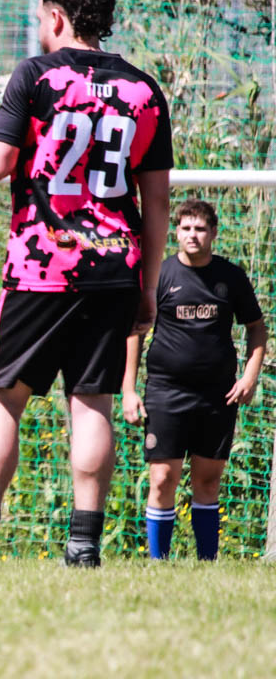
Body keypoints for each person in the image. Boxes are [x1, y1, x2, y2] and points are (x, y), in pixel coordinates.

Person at [0, 0, 173, 568]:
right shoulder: (144, 89)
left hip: (41, 266)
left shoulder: (36, 76)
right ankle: (84, 548)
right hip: (115, 268)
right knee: (92, 403)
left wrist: (1, 120)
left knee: (2, 401)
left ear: (57, 16)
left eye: (41, 16)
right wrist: (148, 286)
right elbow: (157, 203)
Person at [122, 199, 266, 560]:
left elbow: (257, 328)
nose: (192, 235)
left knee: (208, 481)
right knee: (162, 479)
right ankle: (158, 563)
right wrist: (128, 389)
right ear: (176, 232)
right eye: (186, 228)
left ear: (213, 233)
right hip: (165, 392)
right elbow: (135, 332)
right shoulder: (159, 275)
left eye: (200, 229)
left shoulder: (231, 277)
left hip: (217, 394)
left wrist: (250, 376)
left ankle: (207, 563)